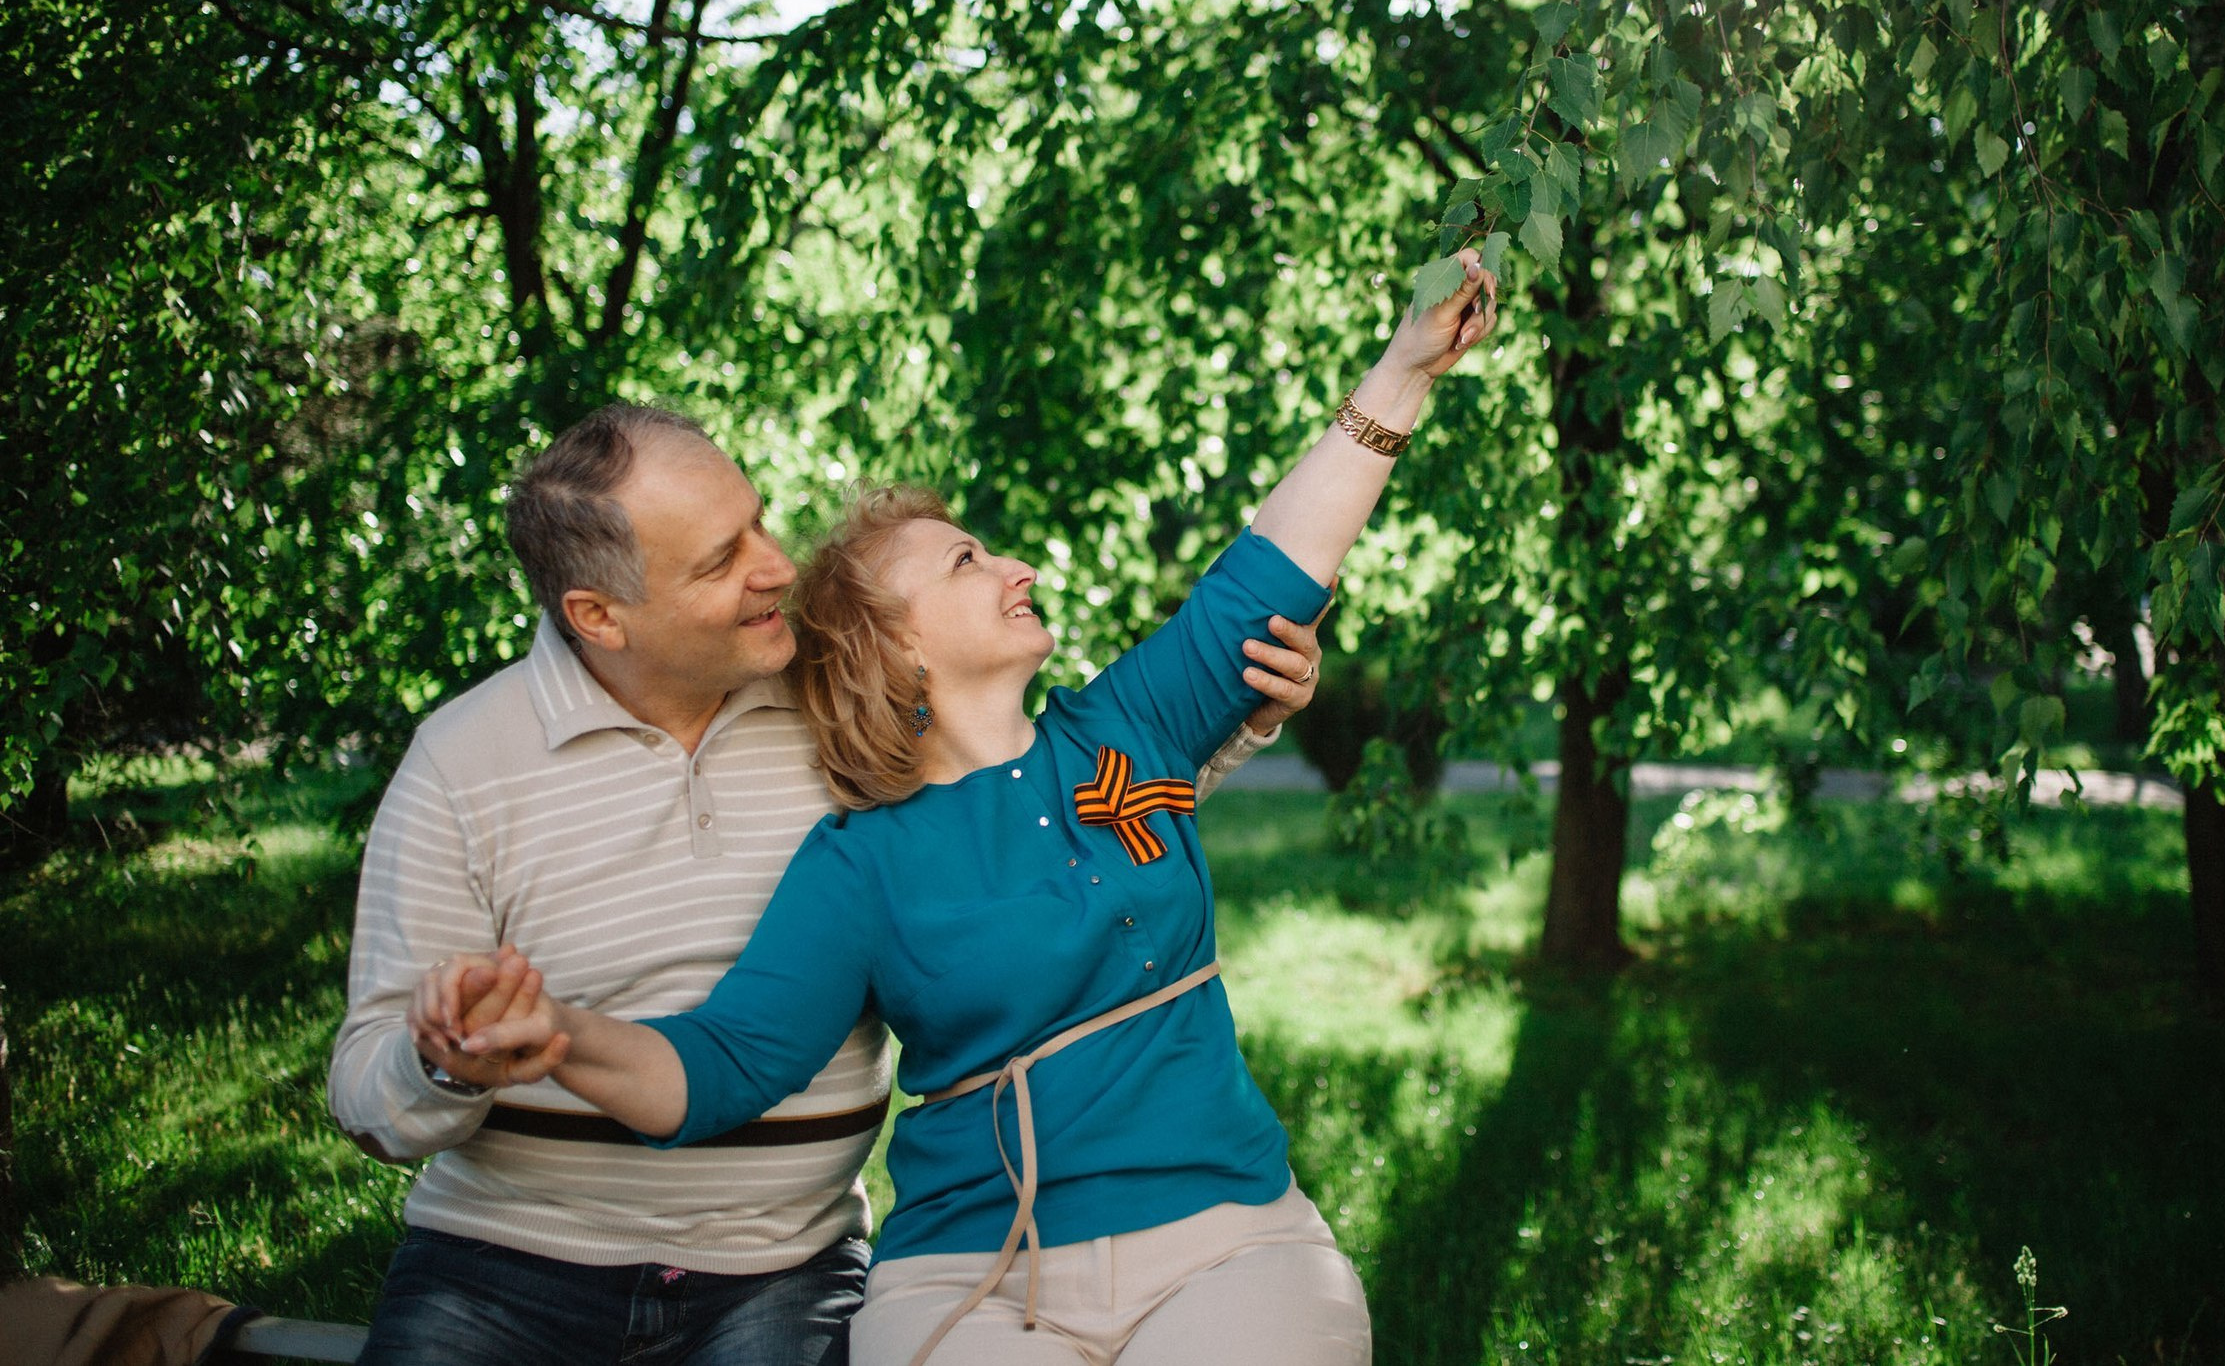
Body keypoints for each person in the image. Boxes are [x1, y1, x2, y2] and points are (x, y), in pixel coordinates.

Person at [442, 249, 1499, 1366]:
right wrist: (557, 1036)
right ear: (892, 643)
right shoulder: (860, 864)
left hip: (1226, 1237)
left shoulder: (1126, 728)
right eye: (964, 561)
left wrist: (1405, 368)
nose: (1017, 567)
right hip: (971, 1276)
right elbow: (723, 1068)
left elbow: (1273, 569)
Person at [330, 403, 1328, 1366]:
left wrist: (1238, 712)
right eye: (722, 560)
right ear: (600, 614)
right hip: (506, 1262)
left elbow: (1047, 807)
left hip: (776, 1267)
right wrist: (453, 1062)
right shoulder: (467, 762)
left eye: (756, 522)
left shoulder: (842, 703)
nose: (777, 568)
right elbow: (370, 1096)